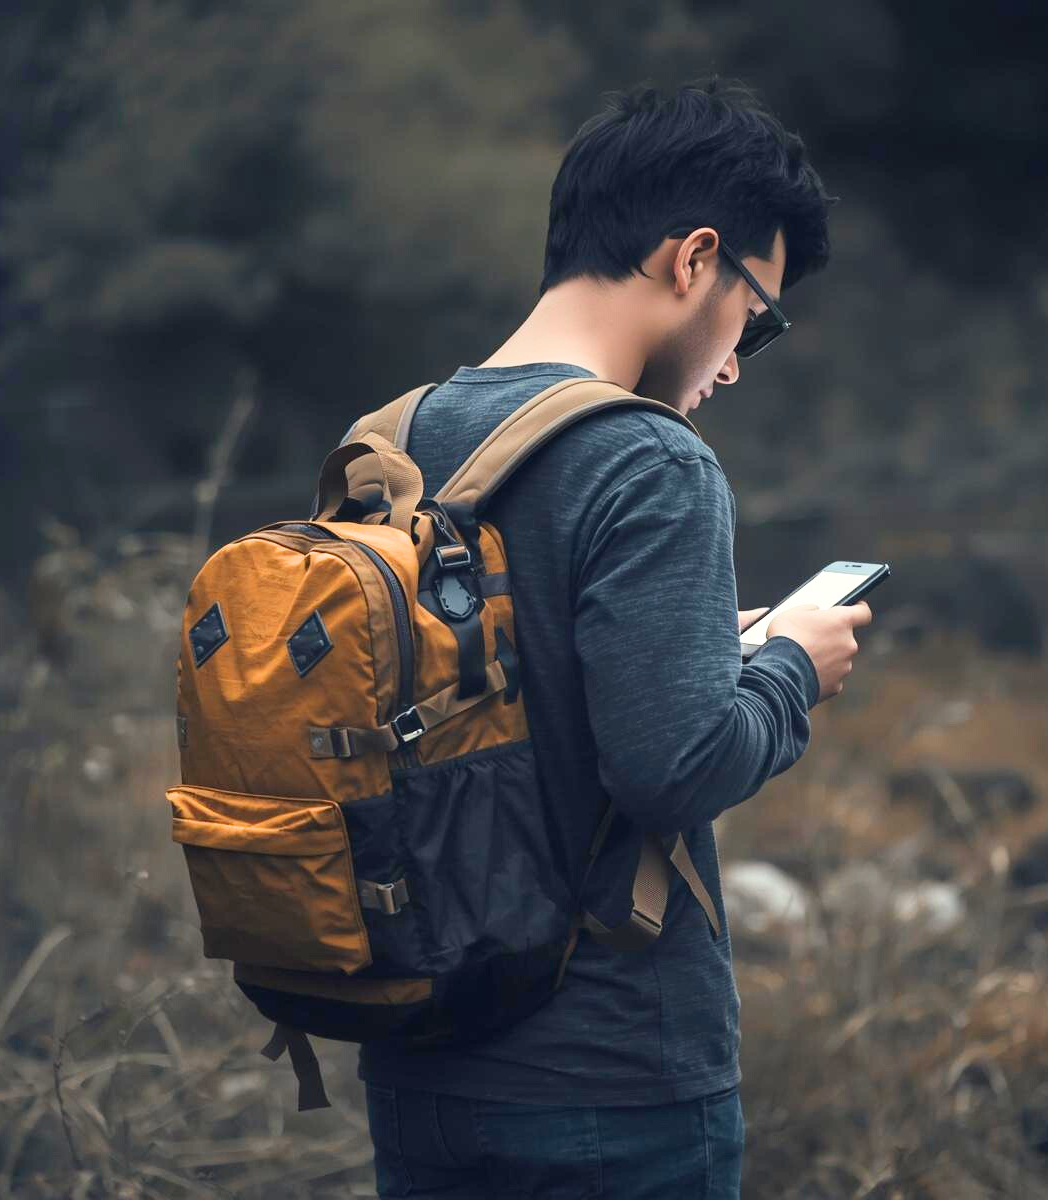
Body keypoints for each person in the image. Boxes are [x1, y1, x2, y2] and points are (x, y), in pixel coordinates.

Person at [357, 75, 872, 1199]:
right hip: (608, 1082)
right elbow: (673, 766)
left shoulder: (395, 437)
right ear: (693, 261)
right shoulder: (651, 459)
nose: (738, 359)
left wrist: (701, 647)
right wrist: (793, 667)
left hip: (419, 1069)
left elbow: (499, 694)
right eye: (758, 315)